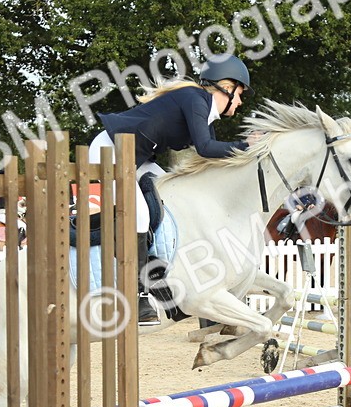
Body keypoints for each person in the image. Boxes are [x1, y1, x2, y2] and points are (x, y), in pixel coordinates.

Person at [88, 54, 253, 324]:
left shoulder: (202, 109)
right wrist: (247, 145)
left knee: (175, 196)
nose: (240, 102)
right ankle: (137, 295)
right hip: (112, 151)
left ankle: (169, 295)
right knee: (140, 215)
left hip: (137, 159)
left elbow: (209, 159)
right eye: (240, 94)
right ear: (226, 87)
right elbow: (206, 148)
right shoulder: (195, 99)